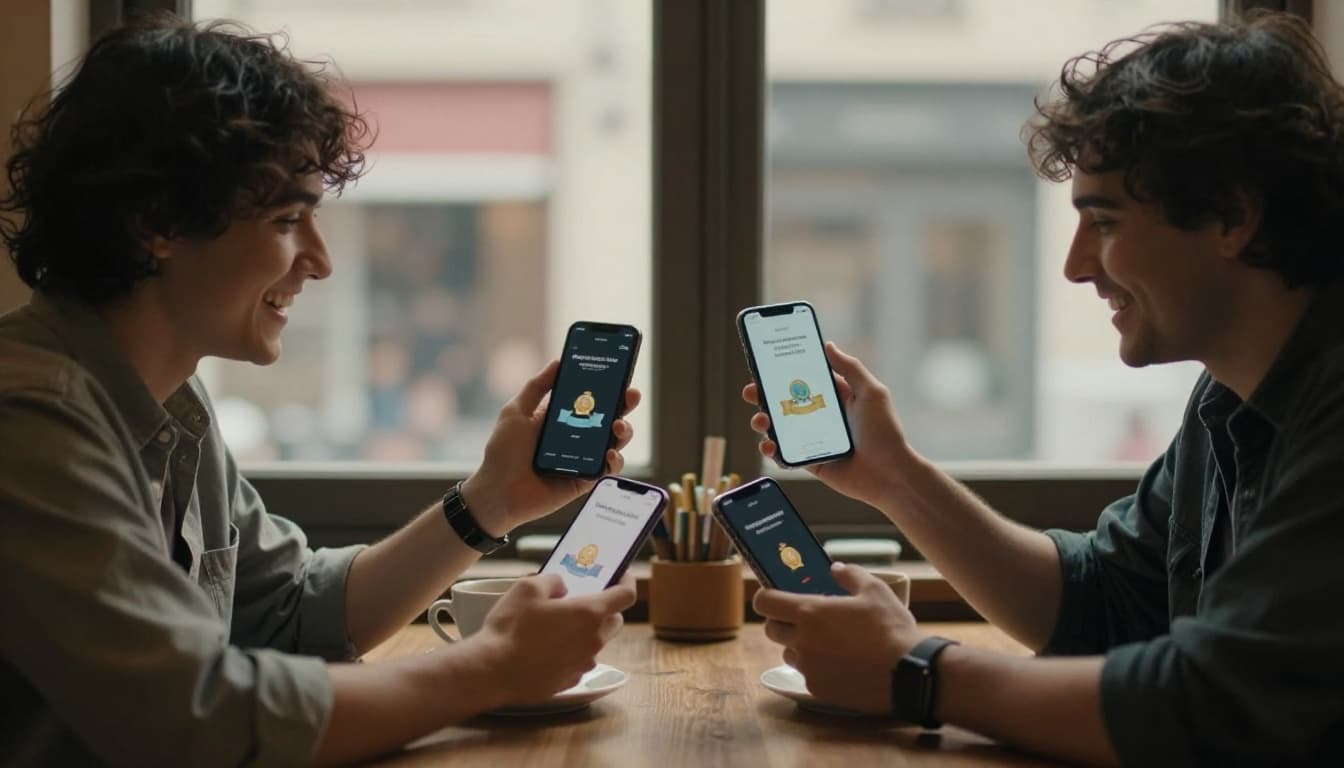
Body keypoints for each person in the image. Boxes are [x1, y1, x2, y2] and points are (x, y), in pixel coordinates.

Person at [0, 13, 638, 766]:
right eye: (288, 218)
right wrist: (490, 669)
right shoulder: (30, 418)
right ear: (156, 222)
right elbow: (190, 719)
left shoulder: (172, 404)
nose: (321, 260)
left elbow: (292, 613)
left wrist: (493, 500)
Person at [745, 11, 1344, 766]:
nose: (1074, 266)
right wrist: (895, 478)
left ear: (1232, 215)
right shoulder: (1229, 400)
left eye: (1103, 221)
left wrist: (919, 672)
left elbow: (1214, 709)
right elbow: (1102, 607)